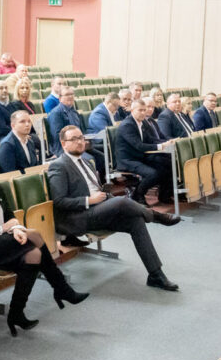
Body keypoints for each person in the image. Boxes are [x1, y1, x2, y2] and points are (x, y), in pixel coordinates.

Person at [0, 146, 87, 335]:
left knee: (33, 256)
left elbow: (10, 216)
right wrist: (4, 229)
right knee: (34, 236)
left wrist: (16, 229)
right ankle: (62, 288)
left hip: (2, 242)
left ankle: (16, 313)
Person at [50, 124, 181, 289]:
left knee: (135, 221)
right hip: (76, 217)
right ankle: (156, 216)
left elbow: (97, 191)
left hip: (97, 210)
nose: (79, 142)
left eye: (81, 138)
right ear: (63, 144)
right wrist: (89, 200)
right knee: (122, 201)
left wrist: (102, 196)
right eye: (74, 139)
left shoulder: (87, 162)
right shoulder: (59, 166)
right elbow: (59, 201)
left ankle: (156, 275)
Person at [116, 97, 174, 204]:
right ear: (132, 110)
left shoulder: (142, 123)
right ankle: (138, 194)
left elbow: (150, 139)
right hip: (128, 159)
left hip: (140, 156)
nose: (144, 112)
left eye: (144, 110)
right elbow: (139, 146)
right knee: (153, 174)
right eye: (140, 110)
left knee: (168, 164)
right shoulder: (127, 125)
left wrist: (167, 142)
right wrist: (160, 147)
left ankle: (164, 195)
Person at [46, 85, 84, 156]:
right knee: (90, 159)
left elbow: (81, 131)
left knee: (101, 156)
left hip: (77, 144)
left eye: (71, 94)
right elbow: (57, 136)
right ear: (60, 98)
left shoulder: (74, 112)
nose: (70, 96)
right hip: (64, 148)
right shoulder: (56, 113)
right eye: (66, 95)